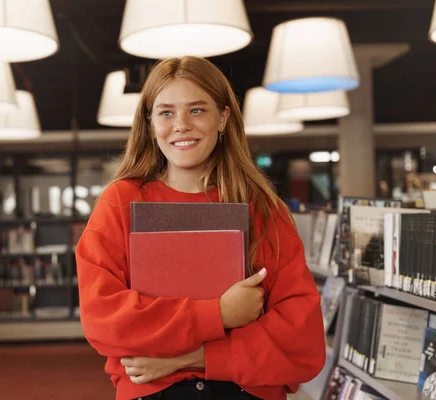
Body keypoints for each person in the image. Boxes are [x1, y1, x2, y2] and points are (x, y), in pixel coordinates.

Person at [76, 56, 325, 400]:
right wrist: (219, 314)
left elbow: (303, 341)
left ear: (223, 118)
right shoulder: (119, 203)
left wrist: (190, 357)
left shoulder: (264, 209)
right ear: (149, 123)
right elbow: (104, 320)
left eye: (196, 110)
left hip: (246, 391)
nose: (180, 125)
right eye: (165, 112)